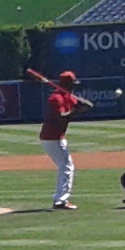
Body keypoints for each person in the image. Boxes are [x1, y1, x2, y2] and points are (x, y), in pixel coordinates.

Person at [21, 68, 93, 210]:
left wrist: (82, 104)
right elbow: (61, 116)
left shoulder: (68, 96)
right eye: (72, 84)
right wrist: (75, 111)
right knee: (66, 167)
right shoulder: (55, 98)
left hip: (57, 137)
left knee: (66, 166)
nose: (74, 87)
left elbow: (88, 106)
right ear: (67, 84)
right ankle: (60, 201)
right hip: (51, 137)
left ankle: (61, 199)